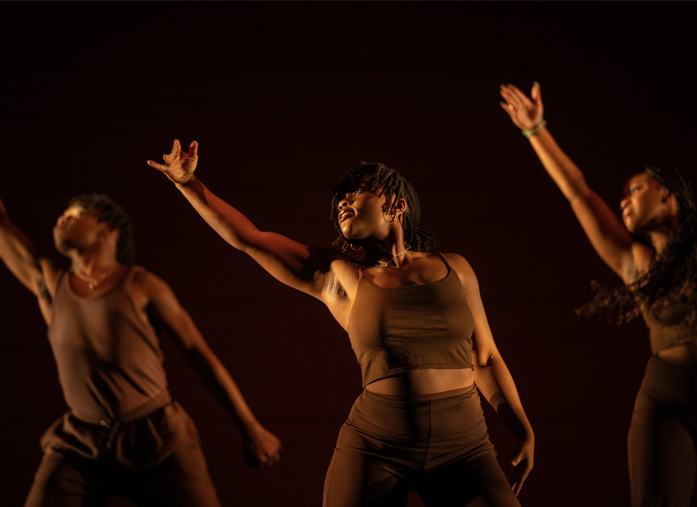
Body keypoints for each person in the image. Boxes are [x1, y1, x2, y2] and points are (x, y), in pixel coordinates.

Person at [147, 138, 535, 506]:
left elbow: (484, 358)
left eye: (358, 192)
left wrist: (523, 430)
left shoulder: (457, 269)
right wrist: (188, 183)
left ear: (397, 206)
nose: (343, 203)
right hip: (377, 445)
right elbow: (249, 238)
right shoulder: (341, 276)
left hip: (464, 445)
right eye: (339, 200)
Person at [0, 111, 282, 507]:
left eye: (75, 214)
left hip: (158, 439)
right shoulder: (50, 282)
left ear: (107, 229)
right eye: (62, 215)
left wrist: (250, 427)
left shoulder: (140, 284)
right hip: (81, 444)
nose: (62, 219)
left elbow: (199, 355)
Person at [499, 83, 697, 506]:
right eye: (623, 193)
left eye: (637, 189)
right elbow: (577, 191)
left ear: (669, 194)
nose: (624, 199)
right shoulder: (637, 262)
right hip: (667, 398)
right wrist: (536, 130)